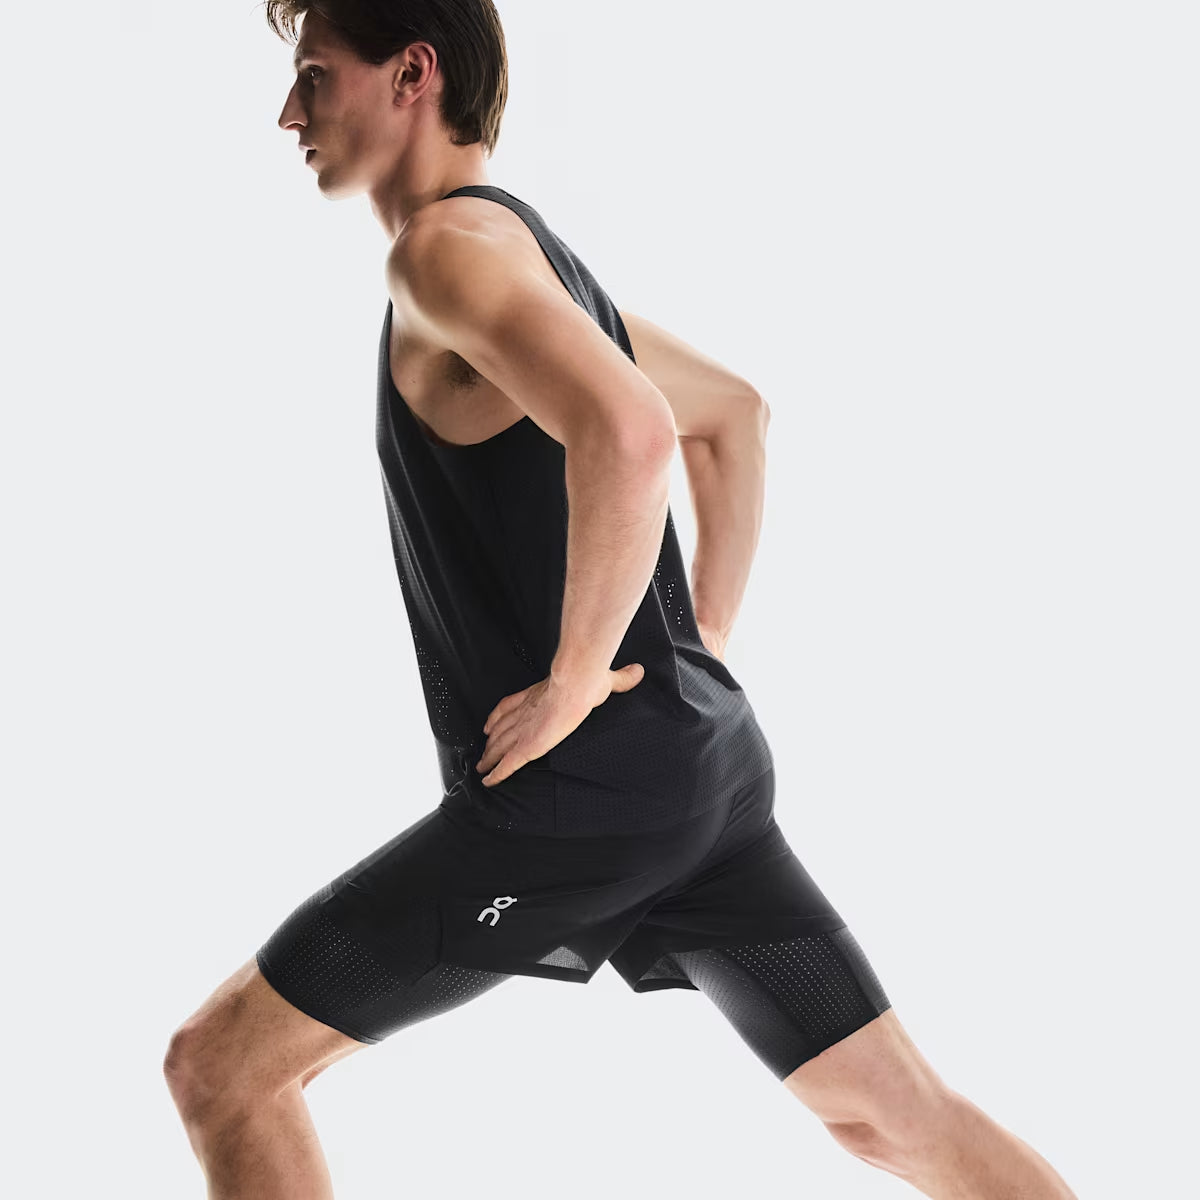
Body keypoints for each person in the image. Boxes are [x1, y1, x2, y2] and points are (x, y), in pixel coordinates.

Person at [163, 4, 1079, 1198]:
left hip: (582, 802)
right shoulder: (522, 259)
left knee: (223, 1069)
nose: (291, 113)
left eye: (316, 77)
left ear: (412, 74)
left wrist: (578, 680)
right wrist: (698, 655)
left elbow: (640, 431)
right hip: (702, 775)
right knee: (893, 1117)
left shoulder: (442, 256)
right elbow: (732, 416)